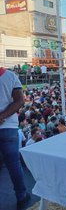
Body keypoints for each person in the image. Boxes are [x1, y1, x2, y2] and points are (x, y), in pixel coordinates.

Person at [0, 67, 30, 209]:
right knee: (13, 164)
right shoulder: (10, 76)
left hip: (8, 128)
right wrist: (2, 116)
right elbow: (19, 101)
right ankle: (21, 196)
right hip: (9, 127)